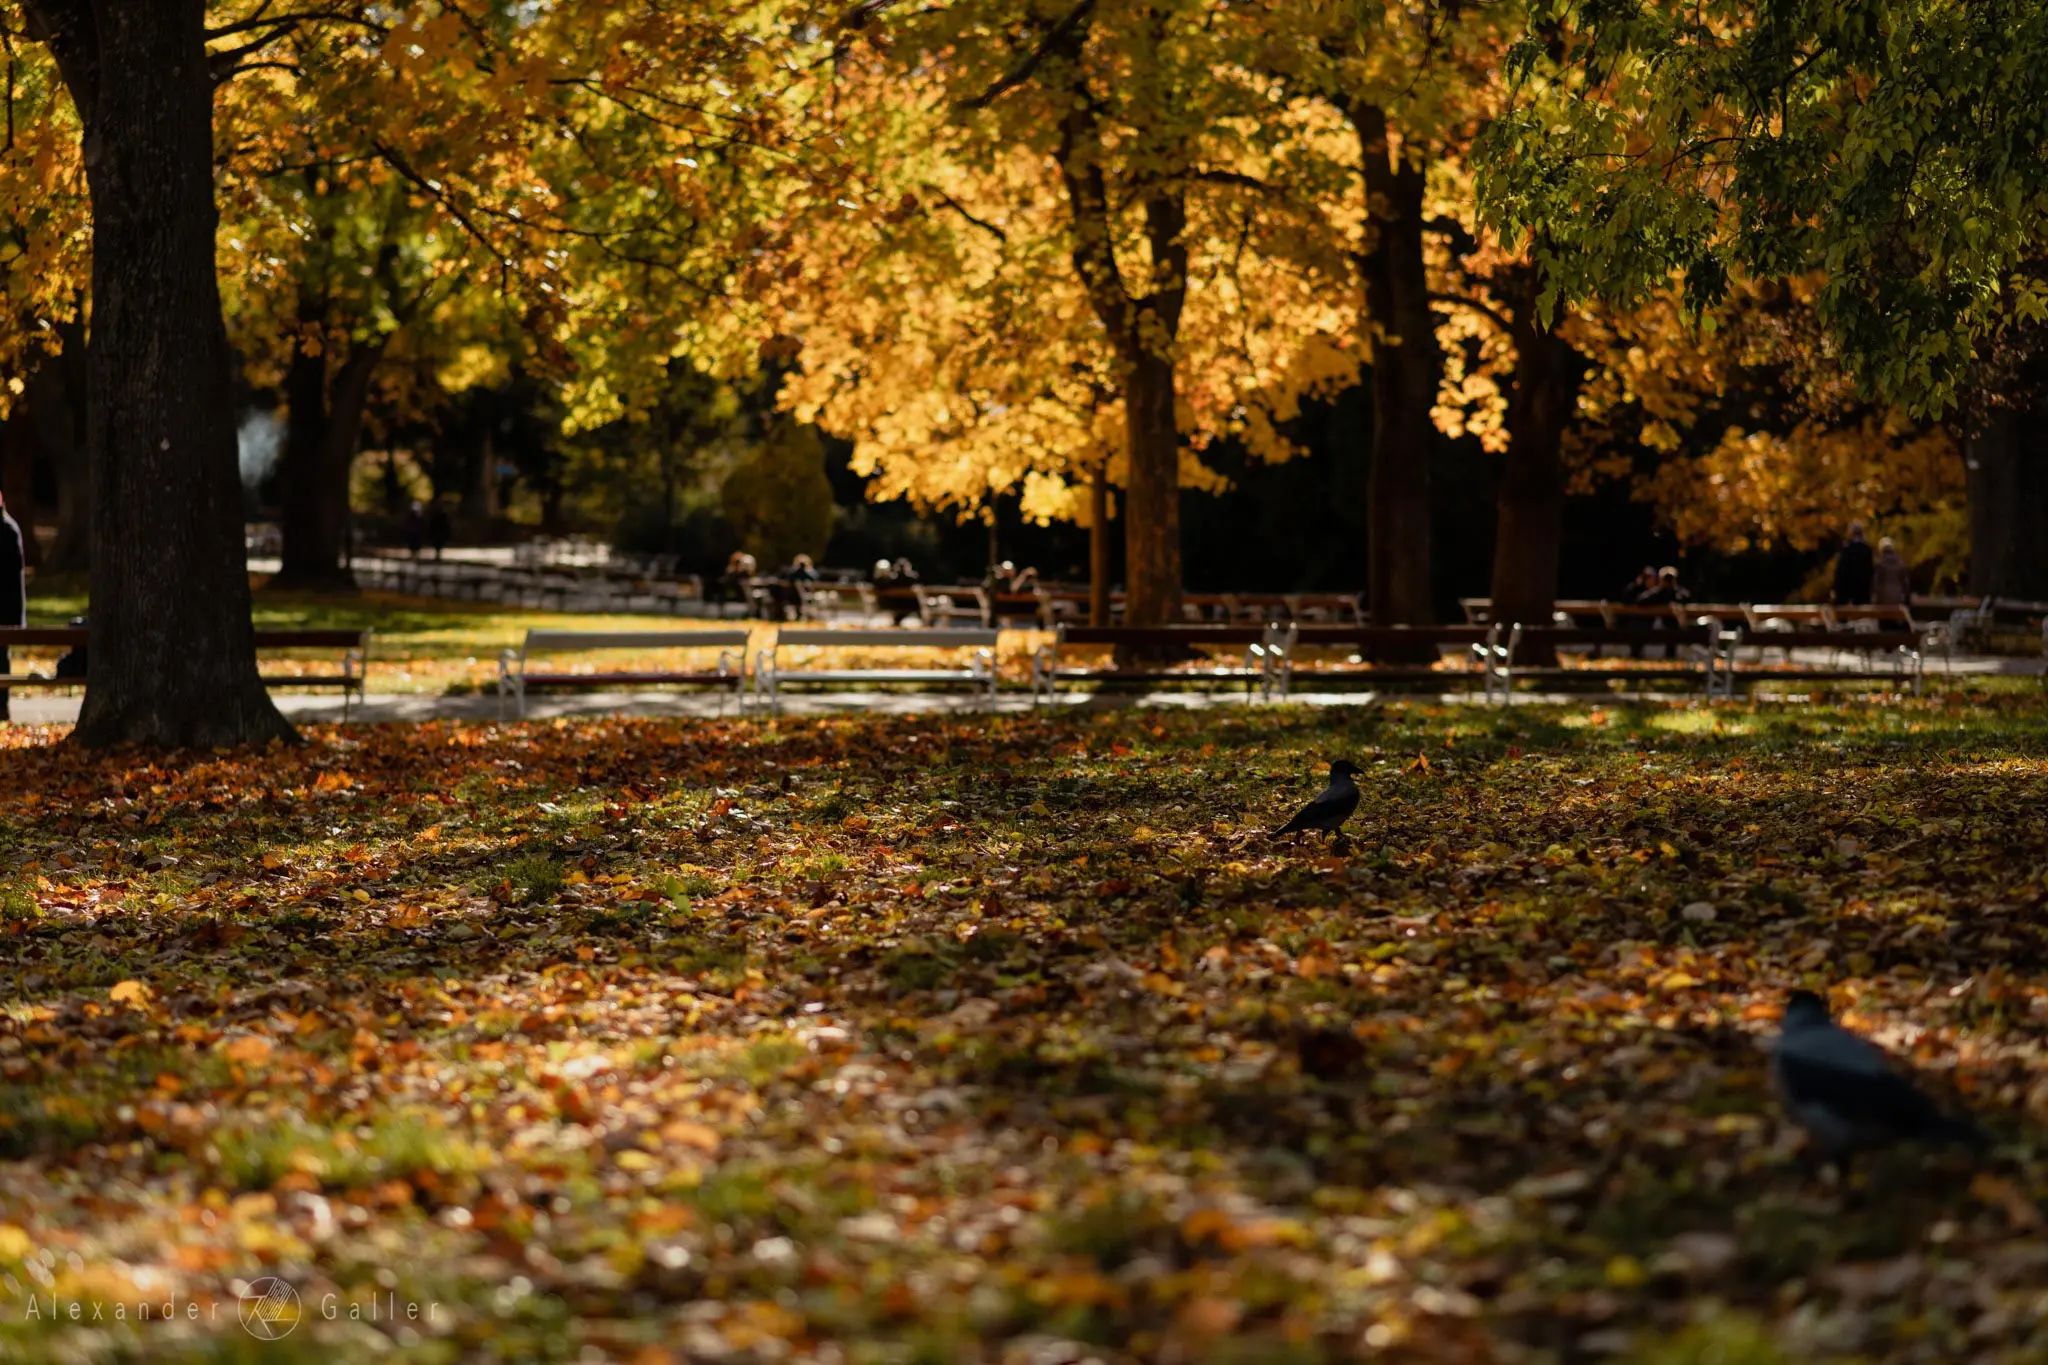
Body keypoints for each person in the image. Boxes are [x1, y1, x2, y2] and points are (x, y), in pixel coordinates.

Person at [0, 491, 22, 723]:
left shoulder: (7, 530)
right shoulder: (10, 529)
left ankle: (2, 706)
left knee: (1, 659)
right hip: (7, 610)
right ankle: (2, 706)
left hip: (4, 612)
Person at [1832, 520, 1874, 606]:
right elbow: (1870, 571)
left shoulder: (1847, 549)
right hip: (1862, 588)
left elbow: (1841, 571)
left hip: (1847, 588)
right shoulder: (1867, 549)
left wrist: (1835, 588)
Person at [1873, 536, 1911, 620]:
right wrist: (1907, 600)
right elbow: (1906, 584)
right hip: (1898, 600)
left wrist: (1875, 600)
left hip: (1883, 601)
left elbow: (1876, 584)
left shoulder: (1880, 565)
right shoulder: (1900, 564)